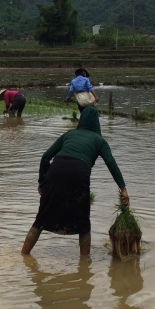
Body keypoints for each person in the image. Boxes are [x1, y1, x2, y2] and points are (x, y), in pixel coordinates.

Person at [21, 106, 129, 256]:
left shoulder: (69, 135)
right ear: (96, 123)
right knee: (83, 224)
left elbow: (45, 157)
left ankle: (23, 256)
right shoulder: (100, 141)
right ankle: (84, 266)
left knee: (40, 220)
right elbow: (111, 163)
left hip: (55, 169)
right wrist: (123, 188)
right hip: (79, 171)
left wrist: (41, 181)